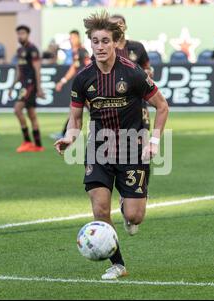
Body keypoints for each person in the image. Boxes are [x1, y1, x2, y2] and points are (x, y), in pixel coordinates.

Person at [54, 11, 169, 280]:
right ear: (90, 44)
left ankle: (130, 204)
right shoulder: (83, 78)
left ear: (115, 42)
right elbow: (75, 119)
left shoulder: (133, 73)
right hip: (99, 150)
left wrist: (154, 141)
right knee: (99, 210)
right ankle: (117, 264)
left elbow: (162, 107)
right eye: (95, 41)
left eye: (105, 41)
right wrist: (70, 138)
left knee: (135, 217)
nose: (100, 46)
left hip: (132, 149)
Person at [10, 25, 45, 153]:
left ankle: (27, 141)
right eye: (18, 34)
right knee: (31, 114)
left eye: (23, 33)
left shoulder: (32, 49)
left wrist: (39, 88)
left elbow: (37, 69)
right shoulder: (19, 51)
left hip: (30, 84)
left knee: (17, 109)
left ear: (28, 34)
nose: (20, 36)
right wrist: (12, 86)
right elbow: (19, 71)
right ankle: (38, 145)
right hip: (24, 84)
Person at [51, 30, 91, 140]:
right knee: (75, 110)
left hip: (85, 85)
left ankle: (104, 130)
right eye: (70, 38)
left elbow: (89, 66)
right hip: (80, 86)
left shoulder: (82, 51)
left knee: (90, 110)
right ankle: (65, 133)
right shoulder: (75, 52)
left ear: (78, 38)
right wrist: (62, 81)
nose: (71, 40)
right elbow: (73, 68)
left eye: (73, 38)